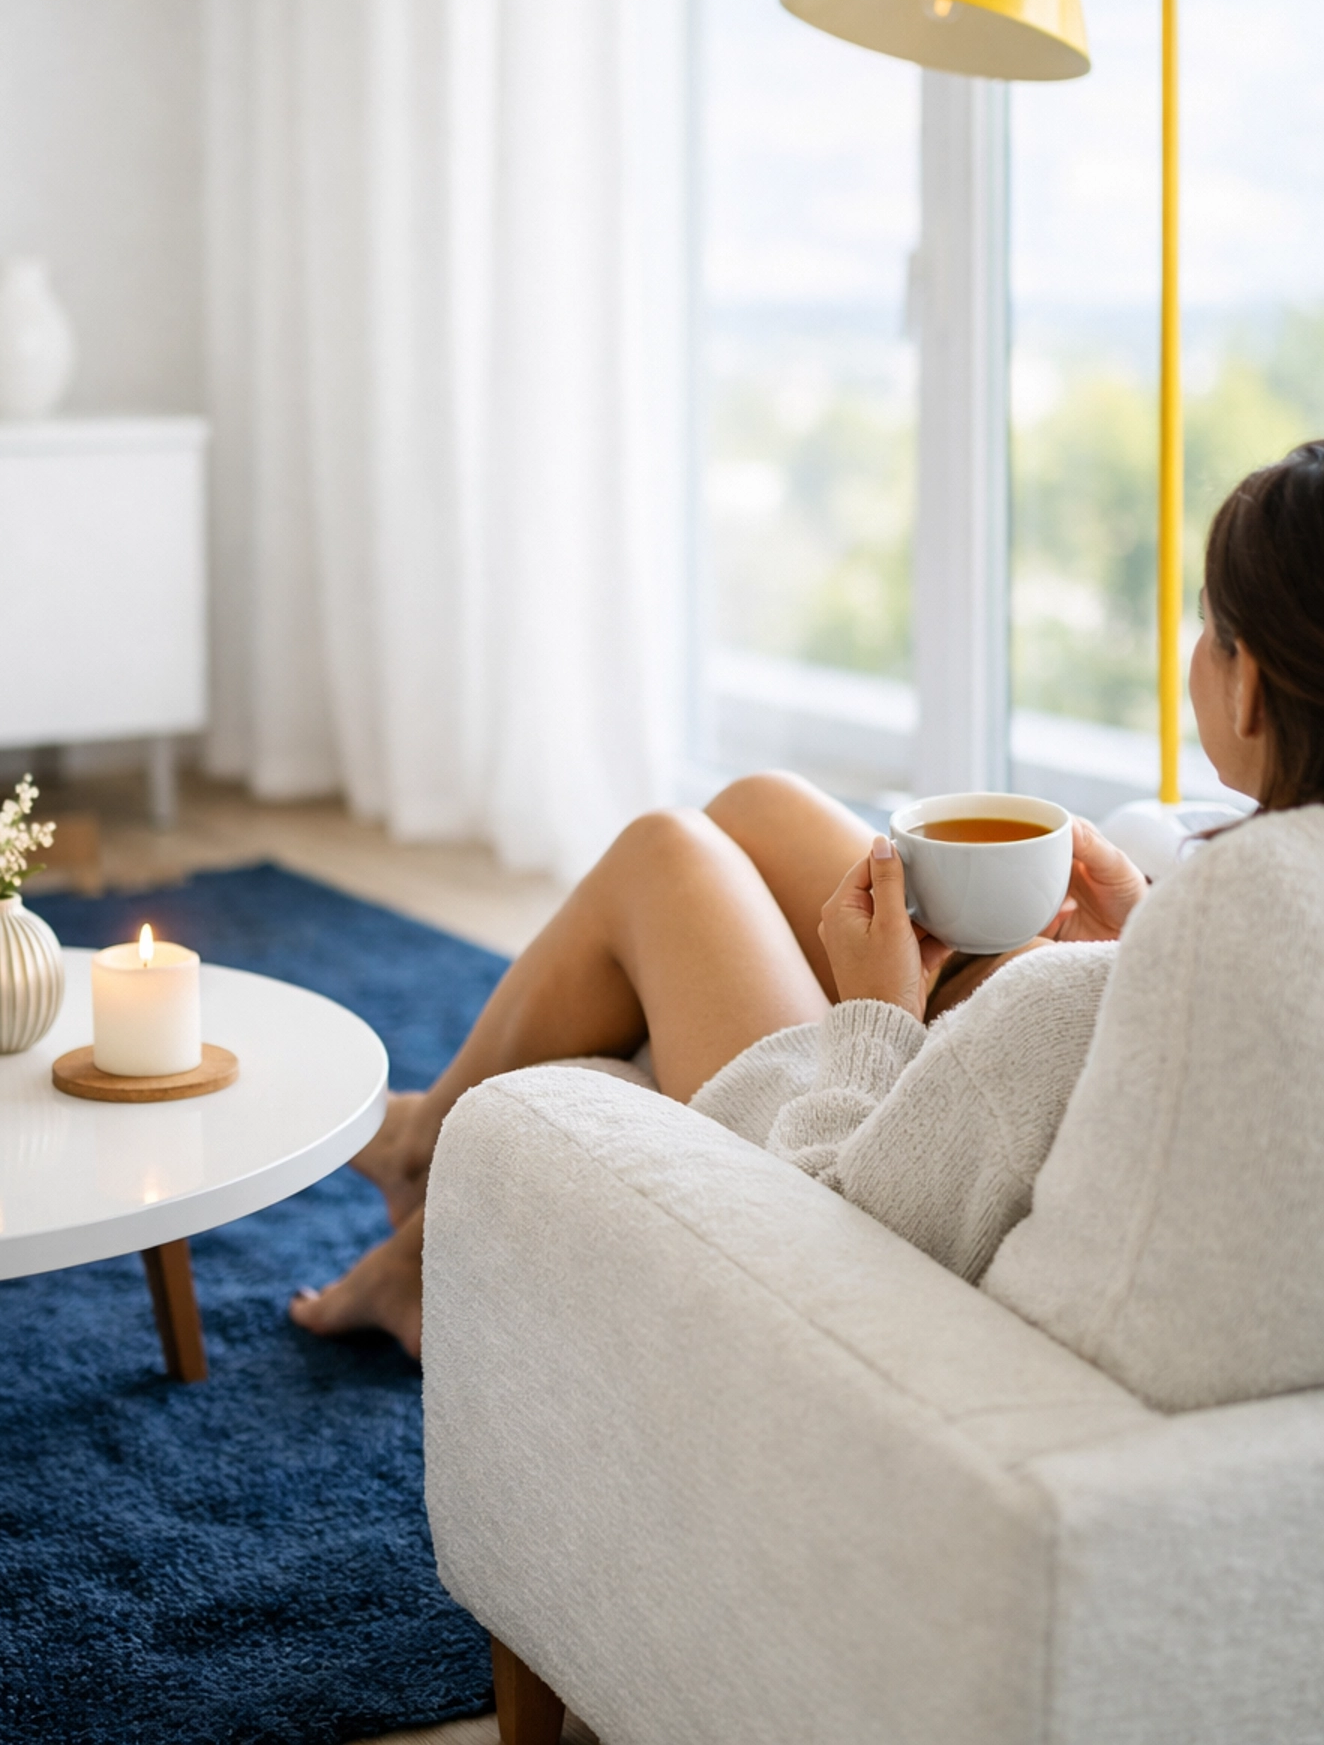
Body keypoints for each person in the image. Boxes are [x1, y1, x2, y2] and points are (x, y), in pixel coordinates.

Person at [291, 442, 1324, 1360]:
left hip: (819, 1165)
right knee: (762, 805)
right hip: (1053, 1083)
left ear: (1246, 687)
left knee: (666, 853)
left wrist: (876, 1012)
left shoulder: (1068, 1006)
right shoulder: (1261, 919)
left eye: (1209, 627)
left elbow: (841, 1229)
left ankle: (423, 1153)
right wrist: (1140, 943)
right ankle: (426, 1150)